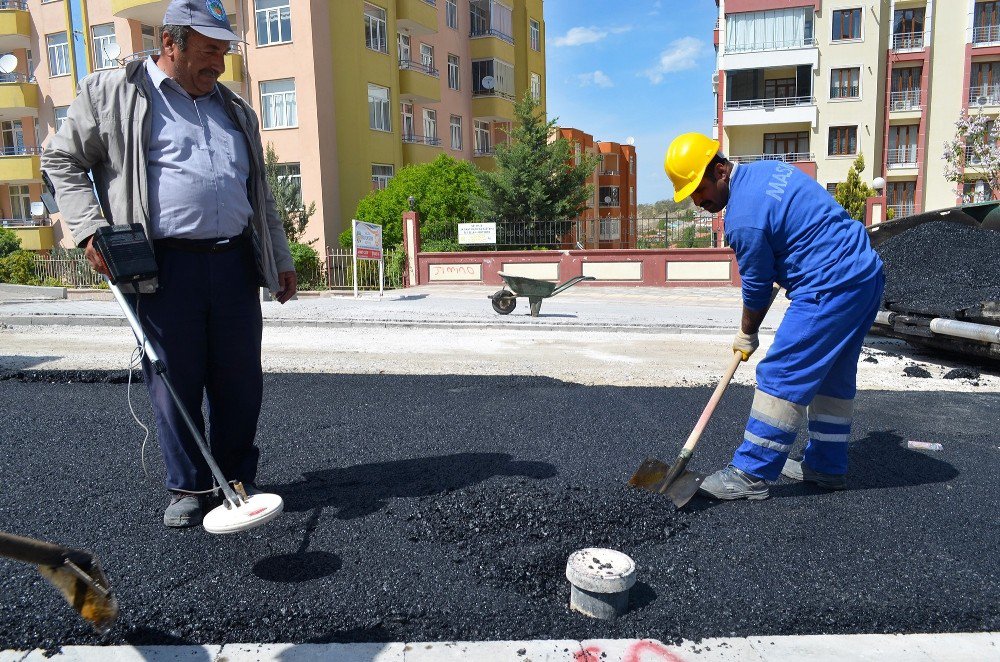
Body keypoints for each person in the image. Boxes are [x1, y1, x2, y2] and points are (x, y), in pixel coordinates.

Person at [43, 0, 296, 527]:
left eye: (223, 52)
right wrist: (89, 228)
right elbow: (61, 160)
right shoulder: (113, 95)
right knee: (173, 378)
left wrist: (282, 258)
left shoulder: (234, 109)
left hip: (233, 266)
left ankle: (235, 480)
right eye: (208, 52)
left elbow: (261, 195)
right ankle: (190, 486)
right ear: (171, 44)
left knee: (240, 380)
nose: (218, 65)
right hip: (163, 266)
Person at [663, 133, 884, 501]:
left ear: (719, 170)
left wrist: (747, 334)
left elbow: (757, 285)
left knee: (782, 371)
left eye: (698, 190)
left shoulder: (743, 220)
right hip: (865, 276)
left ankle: (751, 472)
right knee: (833, 377)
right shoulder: (765, 171)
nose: (697, 201)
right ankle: (826, 467)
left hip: (829, 283)